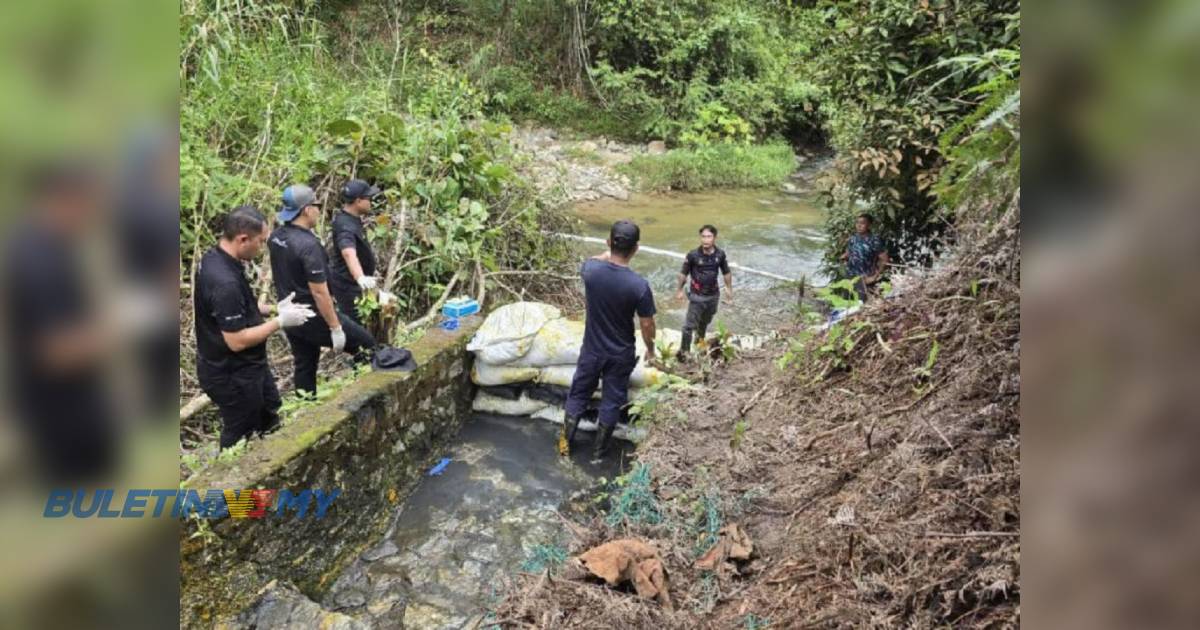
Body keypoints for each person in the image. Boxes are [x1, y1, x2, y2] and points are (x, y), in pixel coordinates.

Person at [3, 160, 119, 481]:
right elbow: (56, 353)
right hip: (62, 412)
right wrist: (116, 332)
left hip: (67, 399)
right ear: (66, 199)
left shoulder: (41, 244)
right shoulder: (39, 260)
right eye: (91, 205)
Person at [195, 206, 316, 449]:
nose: (262, 249)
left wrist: (275, 309)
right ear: (243, 239)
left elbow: (239, 308)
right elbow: (237, 340)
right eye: (260, 243)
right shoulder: (223, 281)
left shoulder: (219, 258)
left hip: (250, 368)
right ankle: (231, 481)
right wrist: (279, 322)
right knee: (239, 431)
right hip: (230, 373)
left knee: (270, 415)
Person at [560, 220, 657, 459]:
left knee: (578, 394)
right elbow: (647, 323)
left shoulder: (591, 271)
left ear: (608, 242)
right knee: (612, 401)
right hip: (620, 353)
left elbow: (592, 261)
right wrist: (651, 349)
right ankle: (598, 453)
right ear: (636, 249)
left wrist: (605, 255)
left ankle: (565, 445)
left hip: (592, 349)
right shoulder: (639, 286)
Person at [269, 184, 376, 396]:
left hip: (291, 314)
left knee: (305, 364)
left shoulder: (277, 236)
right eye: (317, 205)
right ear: (307, 210)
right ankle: (363, 396)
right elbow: (319, 292)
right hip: (314, 315)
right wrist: (335, 327)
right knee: (368, 347)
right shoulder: (308, 245)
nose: (320, 210)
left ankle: (305, 405)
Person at [328, 179, 392, 324]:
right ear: (358, 201)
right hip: (347, 285)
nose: (371, 202)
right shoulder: (345, 225)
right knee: (355, 325)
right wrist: (360, 278)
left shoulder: (351, 219)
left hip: (353, 284)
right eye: (368, 198)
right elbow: (348, 252)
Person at [674, 224, 733, 360]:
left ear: (714, 238)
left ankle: (699, 345)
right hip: (697, 296)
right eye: (703, 236)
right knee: (689, 326)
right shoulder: (693, 255)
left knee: (704, 323)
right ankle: (684, 353)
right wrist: (679, 290)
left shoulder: (720, 254)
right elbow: (683, 273)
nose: (706, 240)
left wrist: (729, 288)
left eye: (709, 236)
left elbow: (726, 272)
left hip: (713, 296)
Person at [840, 213, 889, 301]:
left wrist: (874, 277)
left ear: (869, 225)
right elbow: (848, 252)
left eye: (862, 223)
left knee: (860, 305)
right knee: (845, 302)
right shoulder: (853, 238)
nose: (859, 225)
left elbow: (884, 259)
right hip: (850, 276)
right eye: (857, 223)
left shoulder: (874, 240)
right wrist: (845, 256)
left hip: (864, 278)